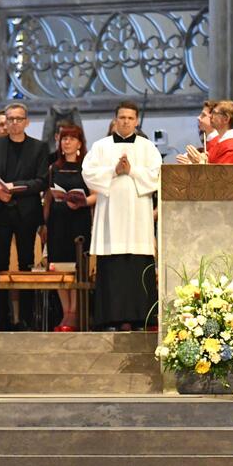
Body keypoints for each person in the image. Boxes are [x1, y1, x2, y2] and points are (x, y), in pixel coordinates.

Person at [82, 100, 162, 331]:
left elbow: (157, 175)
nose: (126, 121)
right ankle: (110, 319)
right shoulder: (101, 146)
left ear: (136, 121)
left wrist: (131, 170)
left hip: (138, 215)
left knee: (137, 266)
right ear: (115, 120)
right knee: (112, 266)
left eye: (130, 118)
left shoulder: (147, 148)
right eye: (122, 117)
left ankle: (140, 318)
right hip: (110, 216)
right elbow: (88, 173)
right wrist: (113, 171)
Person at [0, 102, 50, 330]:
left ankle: (27, 319)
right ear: (5, 122)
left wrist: (15, 187)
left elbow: (41, 181)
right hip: (0, 212)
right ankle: (3, 318)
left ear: (27, 122)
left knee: (26, 264)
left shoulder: (39, 147)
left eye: (19, 119)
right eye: (10, 119)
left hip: (26, 212)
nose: (14, 123)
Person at [44, 125, 95, 331]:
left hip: (78, 220)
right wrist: (44, 224)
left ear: (80, 143)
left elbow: (95, 195)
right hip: (57, 221)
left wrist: (82, 202)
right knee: (57, 267)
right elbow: (48, 197)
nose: (67, 142)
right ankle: (65, 312)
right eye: (64, 138)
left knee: (75, 268)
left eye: (72, 138)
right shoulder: (53, 167)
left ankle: (74, 313)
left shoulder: (87, 167)